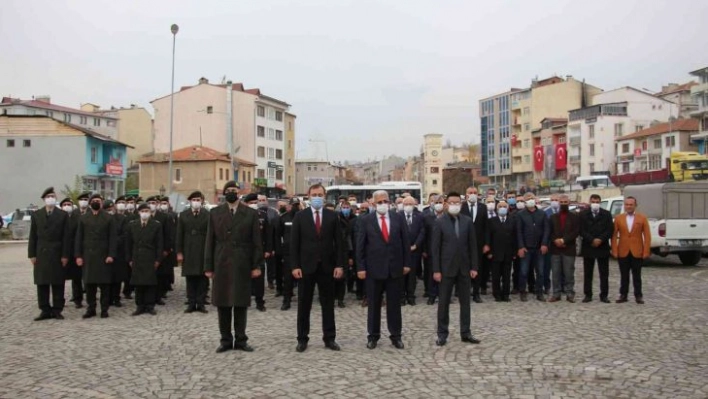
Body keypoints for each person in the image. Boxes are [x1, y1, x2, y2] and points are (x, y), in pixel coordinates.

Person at [205, 181, 264, 353]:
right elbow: (209, 241)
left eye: (235, 190)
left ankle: (241, 339)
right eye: (229, 190)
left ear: (240, 193)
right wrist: (208, 266)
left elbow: (256, 242)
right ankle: (225, 340)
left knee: (240, 302)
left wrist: (256, 265)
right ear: (224, 193)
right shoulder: (215, 213)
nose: (232, 192)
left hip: (242, 262)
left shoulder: (250, 213)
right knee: (223, 303)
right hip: (221, 261)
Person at [291, 183, 346, 353]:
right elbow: (294, 244)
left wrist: (340, 265)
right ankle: (302, 339)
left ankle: (329, 338)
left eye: (320, 194)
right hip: (306, 267)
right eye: (314, 194)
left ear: (324, 196)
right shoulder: (300, 216)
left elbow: (339, 243)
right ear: (308, 196)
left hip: (327, 267)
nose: (317, 197)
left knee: (328, 304)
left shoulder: (332, 216)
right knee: (304, 304)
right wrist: (295, 266)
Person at [356, 190, 411, 350]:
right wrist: (361, 267)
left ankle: (396, 336)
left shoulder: (398, 218)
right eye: (379, 202)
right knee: (373, 305)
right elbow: (360, 245)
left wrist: (407, 263)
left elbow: (405, 242)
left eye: (385, 201)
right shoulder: (366, 220)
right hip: (373, 269)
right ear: (373, 204)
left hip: (394, 268)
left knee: (394, 304)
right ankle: (373, 336)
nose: (383, 205)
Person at [431, 192, 481, 346]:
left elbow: (473, 245)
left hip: (464, 268)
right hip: (446, 269)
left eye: (457, 202)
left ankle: (466, 332)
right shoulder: (440, 222)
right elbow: (435, 248)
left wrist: (474, 266)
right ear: (446, 204)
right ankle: (442, 333)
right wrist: (436, 270)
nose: (454, 205)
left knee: (465, 302)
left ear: (461, 204)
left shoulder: (467, 221)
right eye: (451, 202)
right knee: (444, 302)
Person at [28, 187, 70, 320]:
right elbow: (33, 236)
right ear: (44, 199)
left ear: (55, 198)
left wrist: (65, 255)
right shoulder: (37, 215)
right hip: (41, 253)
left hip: (57, 252)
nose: (50, 198)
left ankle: (57, 309)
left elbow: (66, 237)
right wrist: (32, 254)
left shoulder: (62, 215)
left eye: (52, 196)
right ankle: (45, 309)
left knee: (58, 282)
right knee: (42, 282)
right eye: (48, 196)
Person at [75, 194, 117, 319]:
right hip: (88, 256)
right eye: (93, 201)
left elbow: (113, 238)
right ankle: (91, 308)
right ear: (89, 203)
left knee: (104, 285)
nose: (96, 202)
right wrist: (78, 256)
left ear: (102, 202)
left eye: (98, 201)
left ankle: (104, 309)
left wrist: (111, 254)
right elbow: (79, 238)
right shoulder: (83, 218)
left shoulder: (109, 218)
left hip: (104, 256)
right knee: (89, 284)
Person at [125, 203, 163, 316]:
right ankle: (140, 305)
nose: (145, 213)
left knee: (150, 282)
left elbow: (159, 243)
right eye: (143, 211)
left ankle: (150, 305)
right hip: (136, 257)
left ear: (150, 212)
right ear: (139, 212)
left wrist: (158, 259)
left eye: (147, 211)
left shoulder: (156, 225)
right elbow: (128, 243)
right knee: (138, 283)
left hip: (150, 257)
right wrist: (129, 259)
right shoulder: (132, 225)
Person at [612, 196, 651, 304]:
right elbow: (614, 236)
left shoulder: (642, 218)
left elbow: (647, 236)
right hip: (623, 250)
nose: (628, 206)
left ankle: (638, 295)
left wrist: (646, 251)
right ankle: (623, 294)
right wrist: (614, 250)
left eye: (631, 204)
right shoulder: (619, 218)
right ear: (624, 205)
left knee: (637, 275)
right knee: (624, 275)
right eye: (627, 204)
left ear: (635, 206)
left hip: (637, 250)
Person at [176, 191, 210, 313]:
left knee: (202, 278)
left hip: (202, 249)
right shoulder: (184, 215)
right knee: (190, 278)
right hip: (188, 249)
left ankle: (200, 303)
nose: (196, 202)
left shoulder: (207, 215)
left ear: (202, 201)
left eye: (198, 200)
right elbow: (179, 234)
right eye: (194, 200)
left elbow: (211, 235)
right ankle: (191, 303)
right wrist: (179, 252)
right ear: (190, 201)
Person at [579, 194, 614, 303]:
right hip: (588, 246)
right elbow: (581, 230)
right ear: (590, 202)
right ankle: (588, 294)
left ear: (600, 202)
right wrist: (591, 239)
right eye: (593, 201)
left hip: (602, 246)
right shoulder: (583, 214)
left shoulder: (606, 214)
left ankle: (604, 295)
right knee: (588, 273)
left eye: (597, 202)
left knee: (604, 273)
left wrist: (600, 239)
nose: (595, 204)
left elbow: (610, 230)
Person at [516, 193, 550, 302]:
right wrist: (521, 246)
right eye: (528, 199)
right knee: (524, 271)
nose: (530, 200)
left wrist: (544, 244)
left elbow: (546, 230)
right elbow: (519, 232)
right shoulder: (520, 214)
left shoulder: (542, 214)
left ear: (535, 200)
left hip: (539, 248)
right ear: (525, 201)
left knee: (540, 271)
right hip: (526, 248)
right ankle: (522, 291)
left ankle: (539, 292)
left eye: (532, 198)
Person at [547, 194, 580, 303]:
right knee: (555, 272)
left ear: (569, 203)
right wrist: (556, 240)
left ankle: (570, 293)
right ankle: (556, 293)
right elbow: (549, 232)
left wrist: (564, 240)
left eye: (565, 202)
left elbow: (576, 232)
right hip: (555, 249)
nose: (563, 204)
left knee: (569, 272)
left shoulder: (574, 217)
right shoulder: (553, 217)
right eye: (561, 202)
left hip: (568, 249)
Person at [244, 193, 272, 311]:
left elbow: (268, 234)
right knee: (244, 277)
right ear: (246, 204)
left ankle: (260, 302)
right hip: (244, 251)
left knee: (259, 278)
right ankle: (244, 300)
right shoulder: (241, 216)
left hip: (259, 251)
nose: (254, 205)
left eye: (255, 203)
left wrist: (268, 249)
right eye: (251, 203)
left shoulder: (263, 215)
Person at [484, 201, 516, 302]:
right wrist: (489, 252)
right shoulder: (491, 221)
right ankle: (496, 294)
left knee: (507, 276)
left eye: (504, 206)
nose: (502, 208)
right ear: (496, 209)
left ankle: (506, 294)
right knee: (496, 276)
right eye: (500, 206)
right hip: (495, 253)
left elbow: (515, 237)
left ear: (507, 208)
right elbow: (488, 237)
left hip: (508, 253)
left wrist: (514, 252)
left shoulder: (512, 220)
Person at [461, 186, 487, 303]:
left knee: (478, 267)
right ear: (466, 194)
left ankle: (476, 293)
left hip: (479, 243)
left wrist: (487, 243)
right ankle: (465, 292)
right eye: (470, 192)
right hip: (464, 243)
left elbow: (486, 226)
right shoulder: (462, 207)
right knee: (464, 268)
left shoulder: (483, 207)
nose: (472, 194)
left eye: (474, 192)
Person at [401, 196, 425, 306]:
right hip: (401, 251)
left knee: (412, 274)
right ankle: (401, 296)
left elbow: (422, 231)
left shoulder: (419, 216)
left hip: (415, 250)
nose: (408, 206)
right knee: (401, 274)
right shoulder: (398, 216)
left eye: (410, 204)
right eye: (406, 204)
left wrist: (416, 245)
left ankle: (411, 296)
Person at [278, 197, 301, 310]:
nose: (295, 207)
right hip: (288, 252)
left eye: (297, 205)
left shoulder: (304, 217)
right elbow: (279, 234)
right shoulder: (283, 218)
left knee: (303, 278)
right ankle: (286, 300)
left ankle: (303, 299)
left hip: (303, 252)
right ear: (289, 206)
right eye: (293, 205)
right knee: (287, 278)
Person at [422, 194, 445, 305]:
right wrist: (425, 250)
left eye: (440, 202)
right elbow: (424, 235)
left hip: (446, 251)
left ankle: (444, 295)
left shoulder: (448, 217)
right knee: (432, 273)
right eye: (436, 203)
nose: (438, 205)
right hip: (431, 251)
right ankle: (431, 295)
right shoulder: (427, 218)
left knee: (445, 274)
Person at [61, 197, 83, 308]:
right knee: (60, 278)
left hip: (74, 252)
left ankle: (78, 299)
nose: (66, 206)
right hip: (62, 253)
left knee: (77, 278)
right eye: (64, 204)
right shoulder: (58, 218)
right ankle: (60, 300)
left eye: (68, 204)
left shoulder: (77, 218)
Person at [335, 200, 356, 308]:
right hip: (333, 252)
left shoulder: (353, 220)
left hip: (344, 252)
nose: (346, 209)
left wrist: (350, 255)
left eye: (347, 207)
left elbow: (350, 240)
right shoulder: (336, 218)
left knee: (342, 277)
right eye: (344, 207)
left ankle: (340, 299)